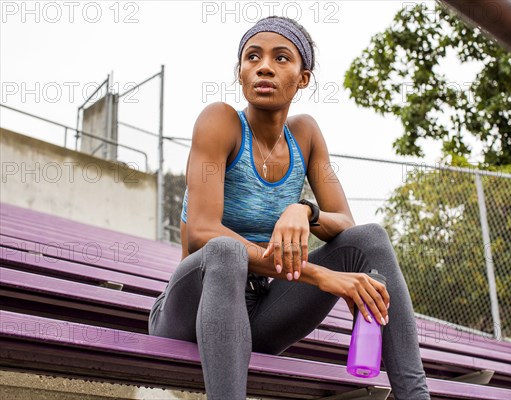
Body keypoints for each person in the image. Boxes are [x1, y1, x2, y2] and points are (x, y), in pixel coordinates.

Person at [148, 15, 430, 400]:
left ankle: (415, 396)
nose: (264, 66)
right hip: (191, 312)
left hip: (260, 316)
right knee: (226, 250)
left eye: (281, 58)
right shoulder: (220, 122)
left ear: (303, 78)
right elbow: (201, 231)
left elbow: (345, 223)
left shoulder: (306, 135)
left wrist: (304, 210)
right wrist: (319, 275)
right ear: (241, 73)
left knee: (369, 238)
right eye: (252, 57)